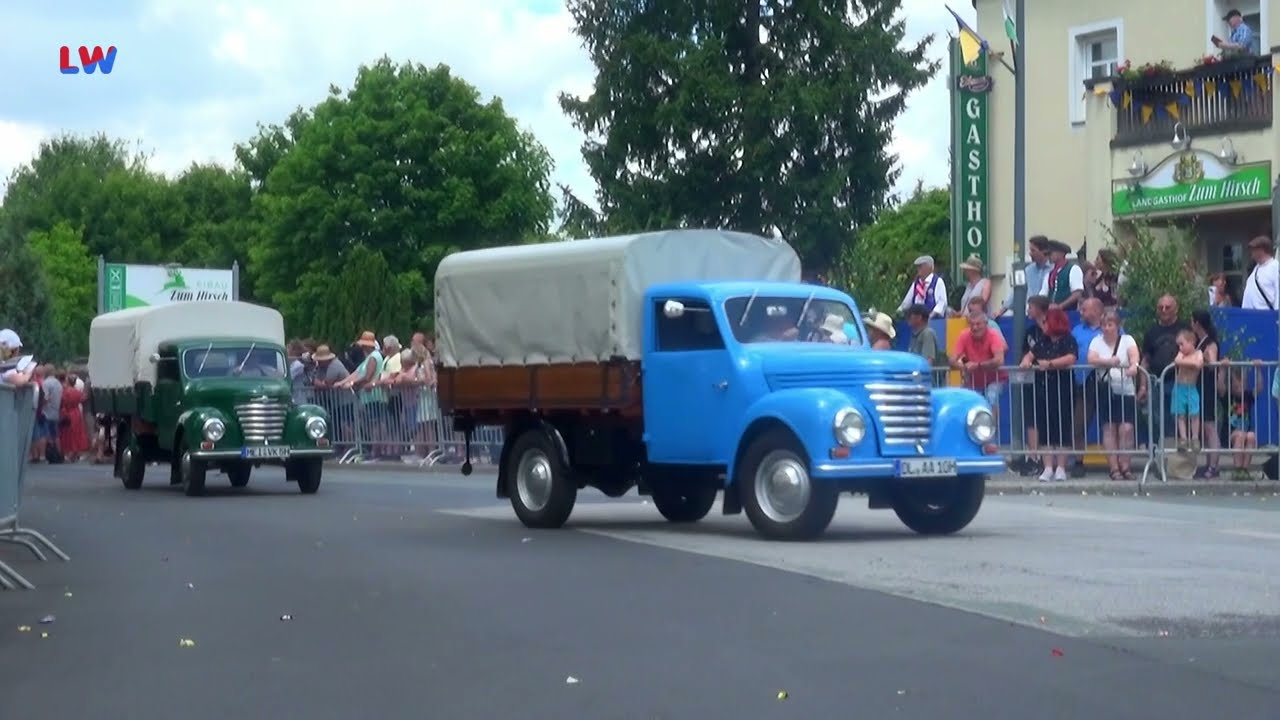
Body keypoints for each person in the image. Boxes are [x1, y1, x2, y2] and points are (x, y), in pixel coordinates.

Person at [1021, 307, 1077, 482]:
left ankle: (1061, 467)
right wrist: (1026, 361)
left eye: (1046, 322)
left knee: (1062, 428)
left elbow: (1071, 358)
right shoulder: (1043, 341)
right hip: (1043, 389)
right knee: (1045, 428)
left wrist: (1050, 364)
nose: (1043, 325)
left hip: (1063, 388)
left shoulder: (1068, 339)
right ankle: (1047, 467)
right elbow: (1030, 355)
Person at [1087, 309, 1140, 481]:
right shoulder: (1096, 341)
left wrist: (1133, 366)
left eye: (1110, 325)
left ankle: (1125, 465)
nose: (1106, 328)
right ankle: (1114, 467)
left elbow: (1134, 356)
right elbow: (1091, 359)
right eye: (1104, 325)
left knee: (1126, 428)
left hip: (1125, 388)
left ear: (1117, 326)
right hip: (1106, 388)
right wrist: (1108, 361)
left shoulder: (1127, 339)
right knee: (1109, 428)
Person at [949, 310, 1007, 426]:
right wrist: (965, 367)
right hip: (974, 380)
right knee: (968, 402)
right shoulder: (964, 335)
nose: (975, 328)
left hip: (995, 378)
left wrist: (977, 365)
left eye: (978, 324)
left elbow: (999, 360)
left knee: (991, 397)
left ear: (986, 324)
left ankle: (990, 432)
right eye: (972, 324)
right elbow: (951, 360)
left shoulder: (993, 335)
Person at [1190, 310, 1223, 478]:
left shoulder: (1210, 343)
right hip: (1198, 387)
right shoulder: (1199, 341)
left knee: (1210, 426)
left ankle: (1214, 466)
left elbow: (1213, 364)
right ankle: (1209, 462)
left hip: (1207, 387)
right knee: (1203, 426)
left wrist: (1206, 358)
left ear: (1197, 323)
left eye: (1192, 321)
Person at [1170, 329, 1204, 451]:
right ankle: (1183, 438)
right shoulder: (1181, 354)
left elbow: (1199, 364)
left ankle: (1195, 438)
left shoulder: (1199, 353)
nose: (1180, 347)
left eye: (1182, 344)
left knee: (1194, 414)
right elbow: (1177, 361)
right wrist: (1192, 363)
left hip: (1191, 387)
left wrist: (1187, 362)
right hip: (1179, 387)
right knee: (1181, 415)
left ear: (1191, 342)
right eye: (1178, 345)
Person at [1224, 367, 1257, 478]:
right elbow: (1220, 386)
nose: (1240, 389)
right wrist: (1224, 369)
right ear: (1231, 386)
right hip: (1231, 434)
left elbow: (1259, 388)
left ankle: (1244, 470)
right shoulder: (1227, 396)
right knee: (1240, 435)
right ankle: (1238, 469)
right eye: (1236, 386)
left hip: (1245, 431)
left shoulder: (1248, 396)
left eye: (1242, 386)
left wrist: (1258, 369)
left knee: (1251, 436)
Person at [1039, 240, 1084, 311]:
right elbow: (1043, 295)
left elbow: (1077, 293)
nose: (1048, 257)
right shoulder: (1049, 274)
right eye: (1046, 254)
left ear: (1061, 253)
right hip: (1052, 313)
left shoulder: (1073, 269)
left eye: (1050, 253)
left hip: (1069, 312)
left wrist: (1060, 306)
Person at [1241, 235, 1278, 310]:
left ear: (1261, 250)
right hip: (1250, 314)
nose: (1251, 253)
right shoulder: (1256, 268)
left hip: (1266, 314)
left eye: (1253, 249)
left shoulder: (1275, 268)